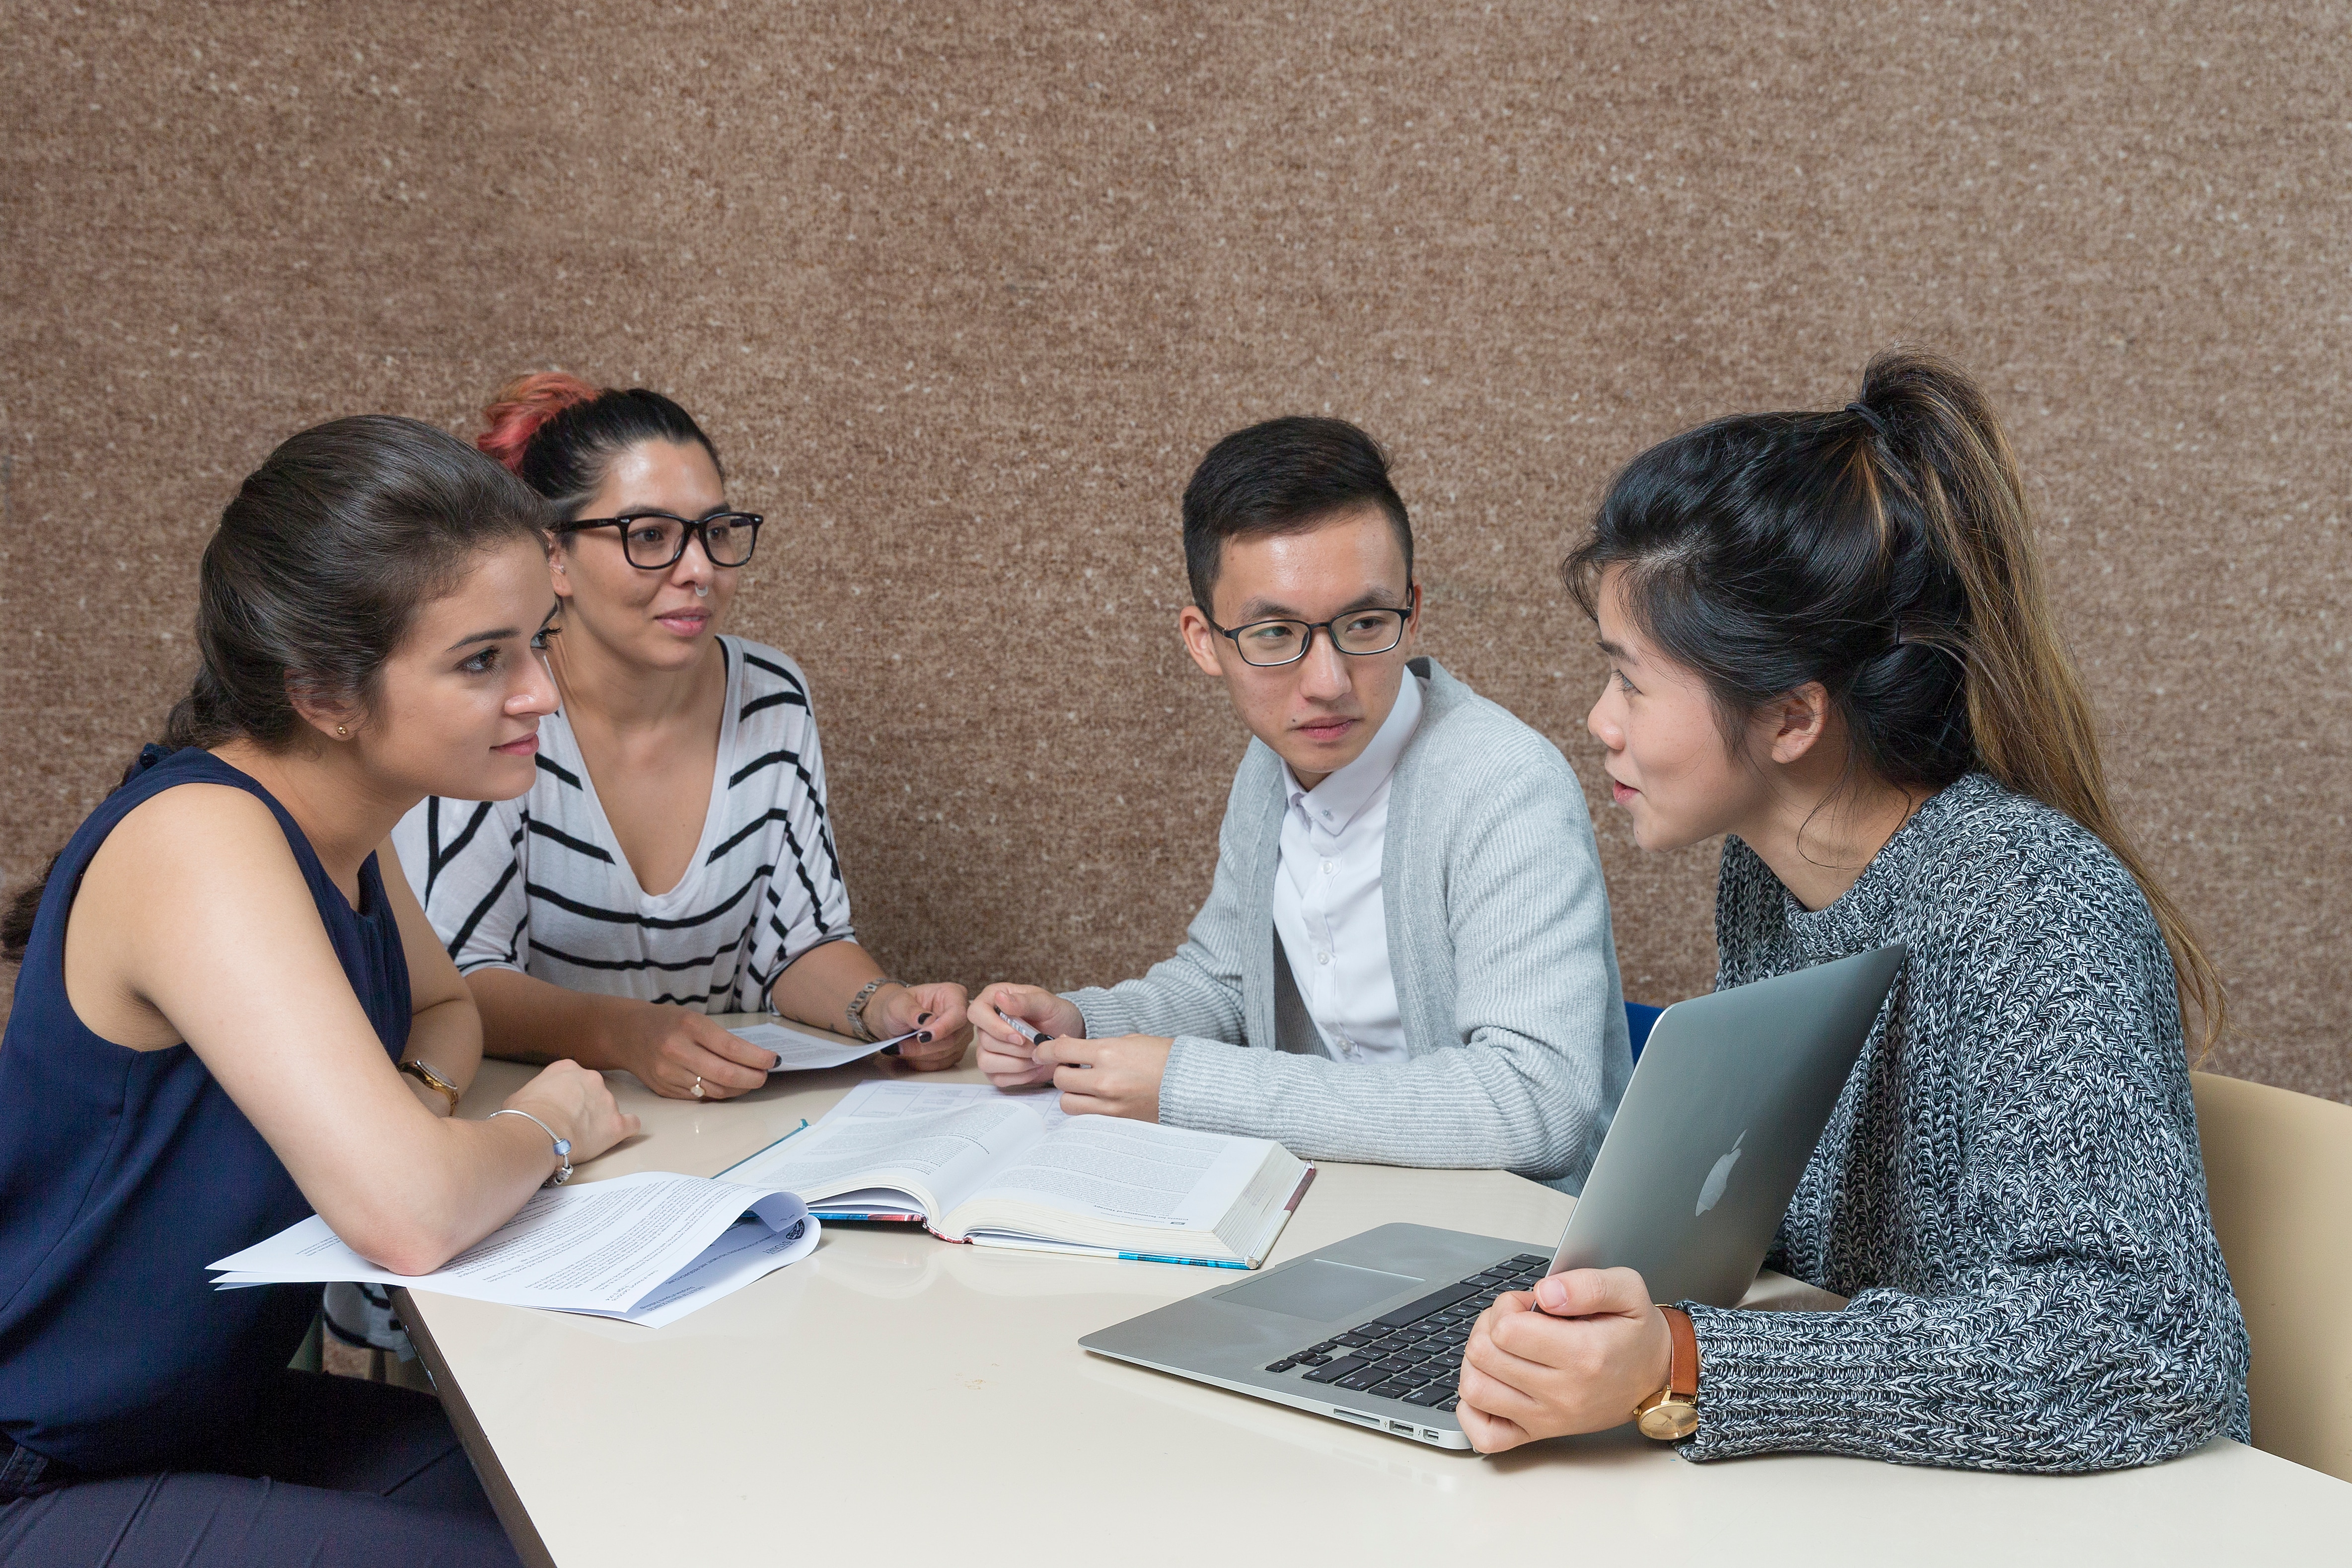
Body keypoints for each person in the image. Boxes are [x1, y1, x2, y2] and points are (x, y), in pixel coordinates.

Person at [1453, 350, 2249, 1469]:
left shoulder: (2035, 907)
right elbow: (1793, 1249)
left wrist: (1684, 1364)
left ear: (1789, 719)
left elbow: (2139, 1348)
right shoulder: (1768, 878)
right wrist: (1594, 1327)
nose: (1599, 719)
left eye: (1631, 679)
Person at [0, 417, 639, 1564]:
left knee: (611, 1499)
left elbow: (446, 1012)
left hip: (191, 1417)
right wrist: (546, 1122)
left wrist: (413, 1108)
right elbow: (410, 1214)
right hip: (39, 1462)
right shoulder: (201, 841)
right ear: (325, 693)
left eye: (540, 641)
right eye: (483, 659)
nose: (543, 692)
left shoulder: (343, 822)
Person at [969, 417, 1631, 1184]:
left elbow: (1533, 1108)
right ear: (1203, 641)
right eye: (1277, 632)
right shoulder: (1271, 765)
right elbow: (1226, 982)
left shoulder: (1503, 785)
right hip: (1353, 1214)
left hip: (1527, 1254)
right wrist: (1080, 1025)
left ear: (1412, 612)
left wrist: (1186, 1085)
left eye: (1364, 623)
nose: (1327, 682)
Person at [392, 374, 971, 1102]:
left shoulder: (772, 693)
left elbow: (798, 943)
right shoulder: (502, 706)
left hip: (723, 1124)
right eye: (650, 536)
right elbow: (457, 979)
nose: (698, 570)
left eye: (715, 531)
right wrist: (627, 1034)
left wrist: (884, 1007)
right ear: (555, 557)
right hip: (537, 1127)